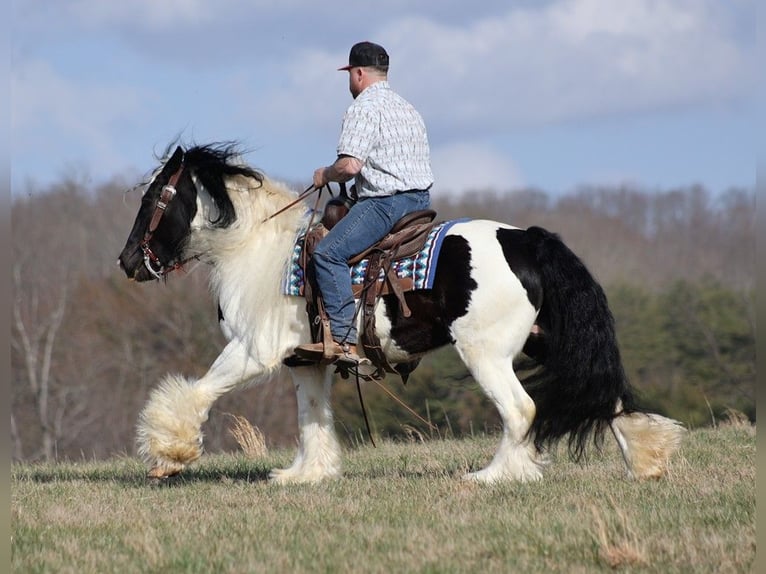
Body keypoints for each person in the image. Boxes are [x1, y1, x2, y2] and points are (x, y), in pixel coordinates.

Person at [295, 41, 434, 365]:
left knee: (329, 254)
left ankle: (342, 341)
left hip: (386, 205)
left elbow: (350, 166)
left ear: (357, 73)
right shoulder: (407, 108)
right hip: (420, 202)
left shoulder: (364, 107)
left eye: (349, 75)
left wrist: (325, 175)